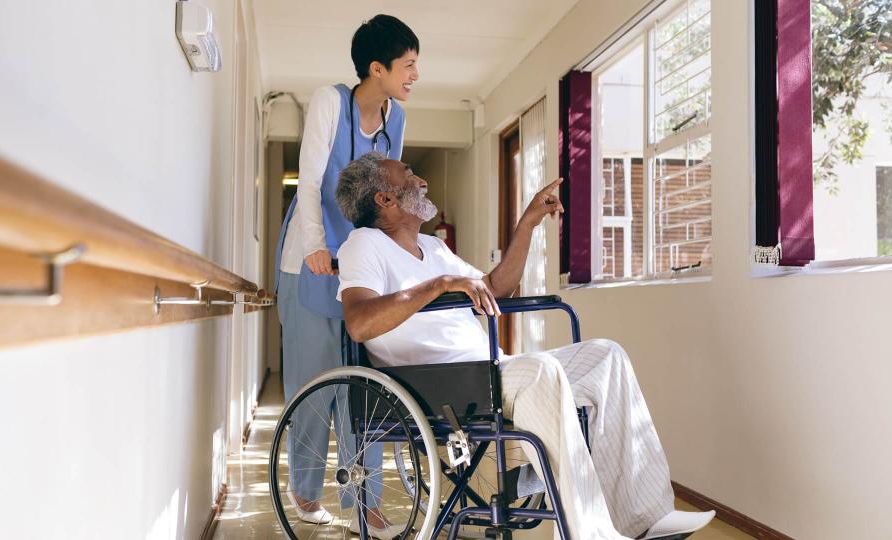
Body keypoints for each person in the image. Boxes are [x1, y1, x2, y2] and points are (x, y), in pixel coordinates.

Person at [333, 152, 716, 540]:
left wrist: (528, 223)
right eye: (409, 175)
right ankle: (591, 533)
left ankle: (648, 518)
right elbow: (360, 323)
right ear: (385, 199)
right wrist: (439, 284)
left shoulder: (433, 249)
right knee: (541, 372)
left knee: (606, 356)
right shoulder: (363, 245)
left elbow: (496, 287)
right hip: (438, 383)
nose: (421, 181)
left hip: (487, 371)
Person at [273, 15, 419, 538]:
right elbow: (310, 181)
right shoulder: (329, 102)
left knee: (367, 388)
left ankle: (367, 503)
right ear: (375, 68)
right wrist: (316, 246)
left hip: (357, 265)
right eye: (407, 65)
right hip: (309, 263)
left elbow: (387, 195)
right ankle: (306, 490)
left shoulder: (395, 119)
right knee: (314, 386)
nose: (414, 75)